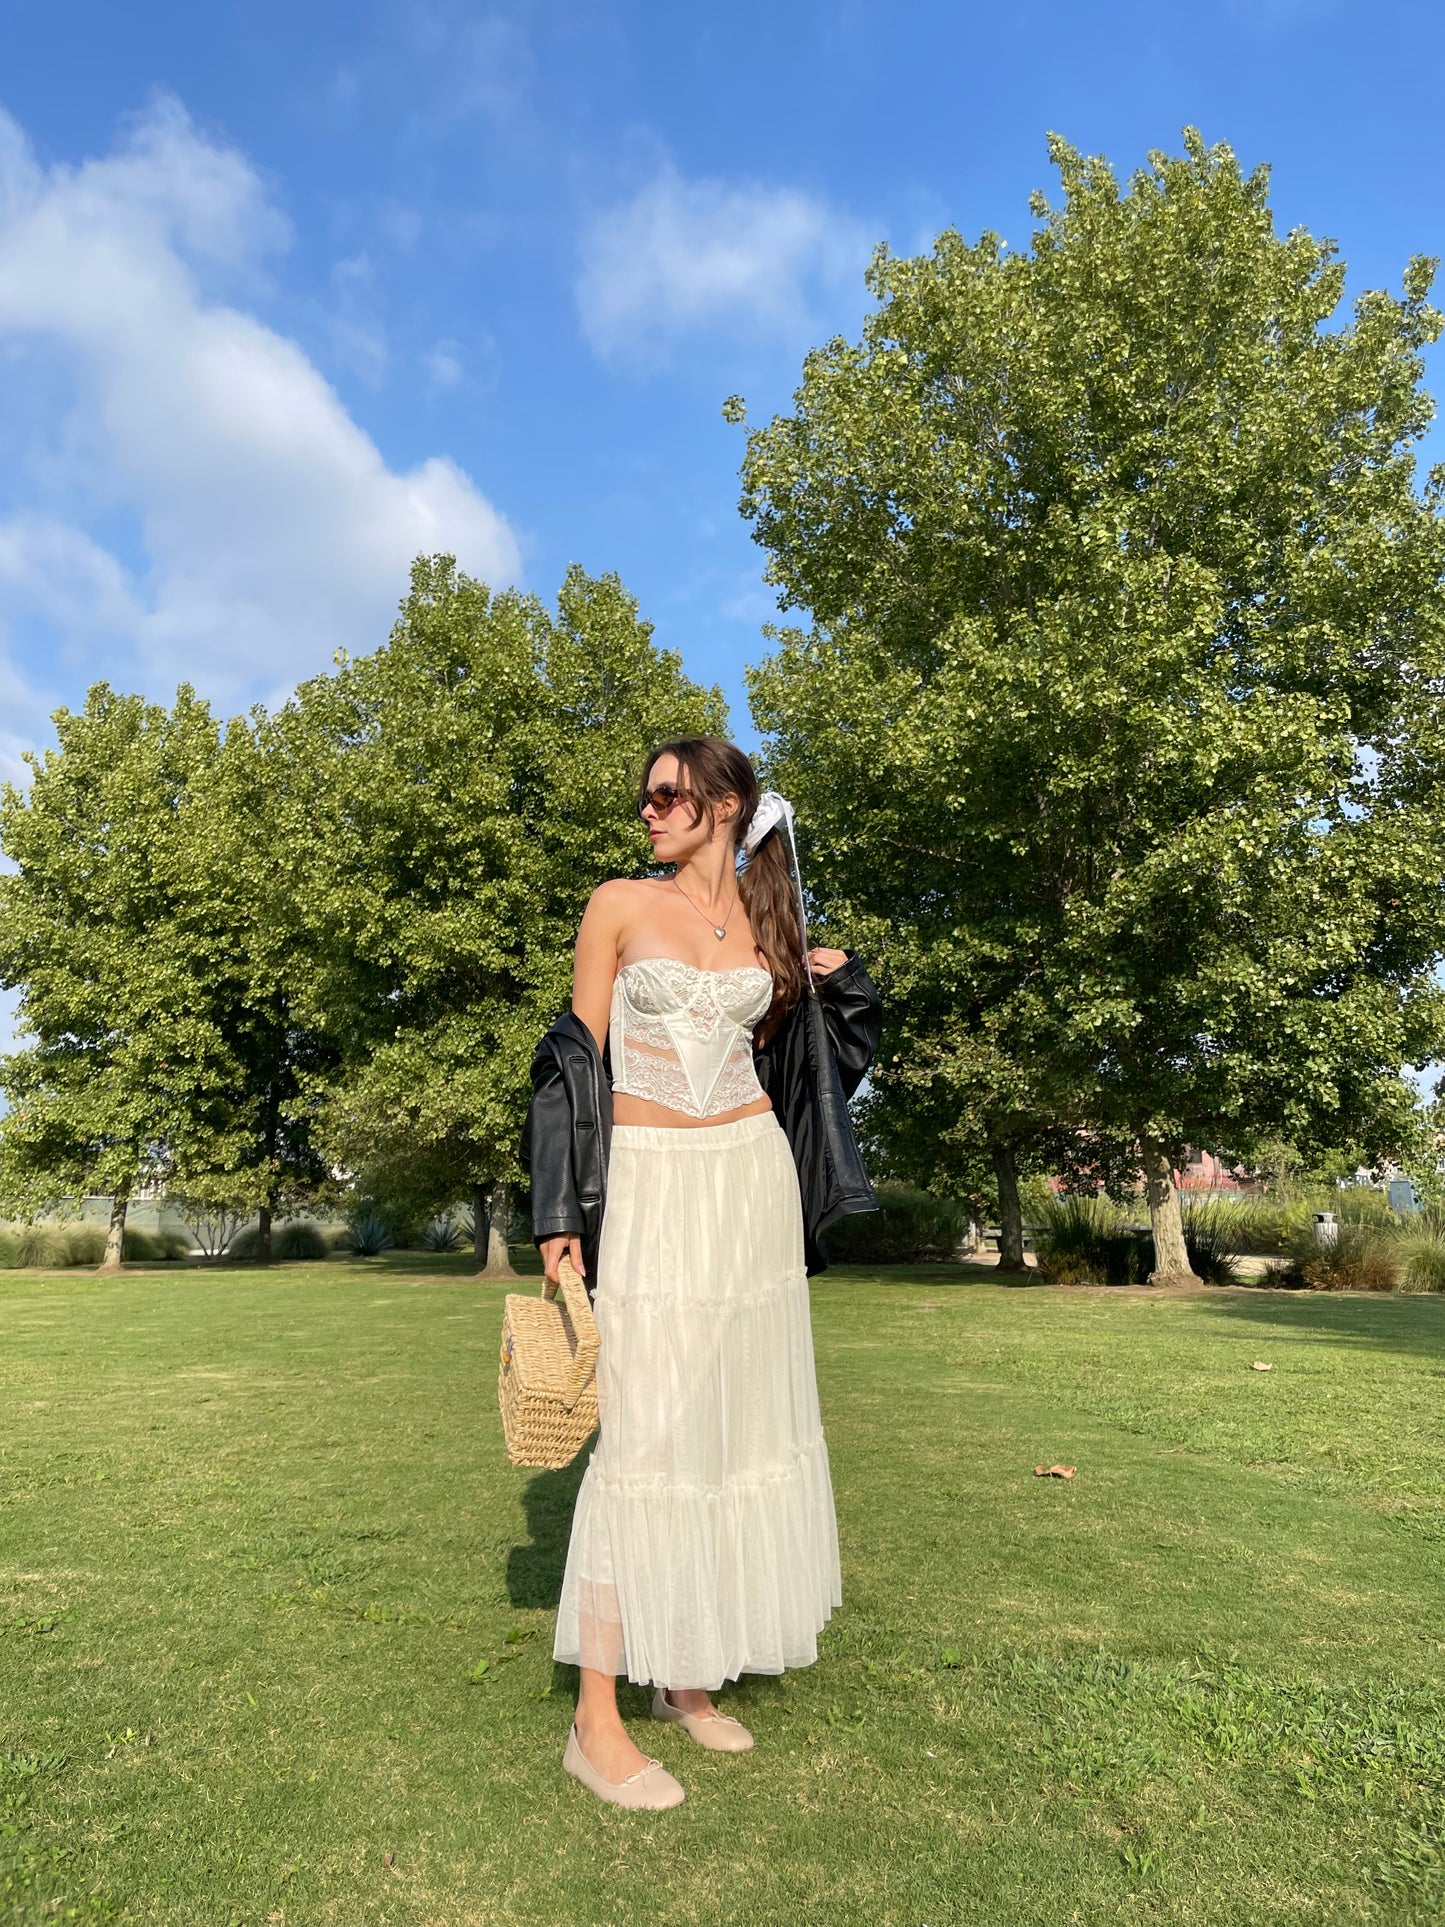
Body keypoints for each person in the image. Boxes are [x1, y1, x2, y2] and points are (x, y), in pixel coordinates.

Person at [519, 736, 881, 1809]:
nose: (650, 809)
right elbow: (569, 1060)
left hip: (749, 1182)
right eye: (644, 796)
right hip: (652, 1185)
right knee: (646, 1435)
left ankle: (686, 1675)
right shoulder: (618, 906)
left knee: (727, 1426)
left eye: (669, 794)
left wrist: (841, 982)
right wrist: (555, 1213)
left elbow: (816, 1071)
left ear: (727, 805)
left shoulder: (771, 931)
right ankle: (594, 1722)